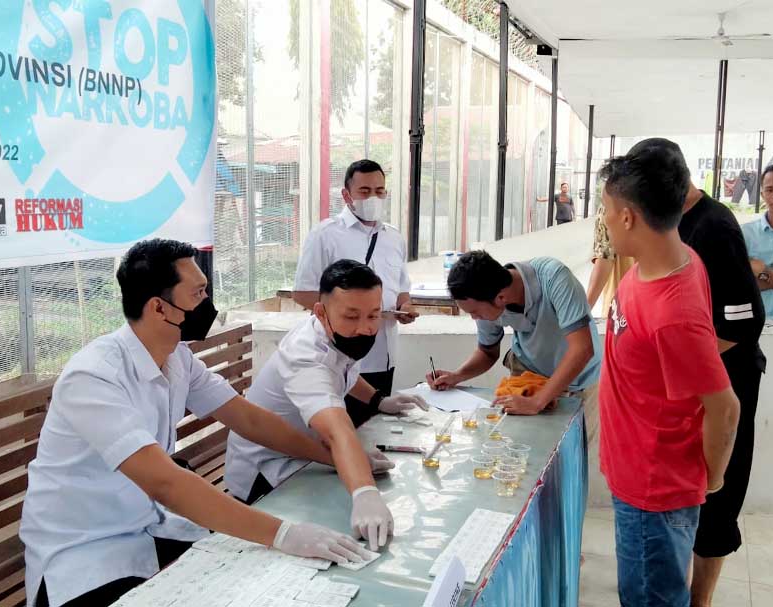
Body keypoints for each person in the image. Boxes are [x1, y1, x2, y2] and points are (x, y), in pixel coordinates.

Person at [20, 240, 371, 607]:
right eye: (198, 293)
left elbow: (247, 418)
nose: (208, 302)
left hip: (146, 525)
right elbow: (165, 482)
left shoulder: (177, 358)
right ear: (159, 307)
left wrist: (334, 457)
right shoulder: (94, 376)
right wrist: (284, 534)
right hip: (85, 553)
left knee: (266, 576)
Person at [597, 142, 740, 607]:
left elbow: (725, 408)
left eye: (605, 209)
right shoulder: (673, 262)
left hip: (654, 494)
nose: (603, 219)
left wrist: (711, 480)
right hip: (636, 475)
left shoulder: (672, 313)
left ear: (627, 217)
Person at [629, 138, 765, 607]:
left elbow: (744, 322)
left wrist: (685, 362)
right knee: (687, 494)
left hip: (727, 379)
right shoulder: (671, 222)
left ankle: (700, 599)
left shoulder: (715, 226)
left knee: (716, 493)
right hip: (691, 383)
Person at [225, 259, 427, 547]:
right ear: (321, 312)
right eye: (352, 316)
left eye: (373, 315)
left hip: (308, 455)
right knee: (340, 533)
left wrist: (379, 400)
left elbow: (345, 373)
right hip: (267, 472)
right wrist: (365, 493)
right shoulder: (305, 357)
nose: (365, 328)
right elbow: (336, 430)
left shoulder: (336, 336)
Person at [293, 160, 417, 427]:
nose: (373, 197)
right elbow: (303, 293)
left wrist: (405, 308)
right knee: (344, 430)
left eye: (379, 191)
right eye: (364, 191)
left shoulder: (394, 237)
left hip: (384, 354)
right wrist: (351, 315)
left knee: (377, 430)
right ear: (346, 195)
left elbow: (402, 290)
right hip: (342, 355)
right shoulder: (325, 235)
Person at [425, 251, 601, 429]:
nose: (474, 318)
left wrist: (537, 402)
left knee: (578, 440)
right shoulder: (486, 295)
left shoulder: (555, 279)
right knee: (519, 440)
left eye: (475, 312)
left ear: (501, 298)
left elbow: (582, 349)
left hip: (581, 378)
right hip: (530, 379)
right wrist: (457, 376)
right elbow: (487, 352)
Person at [585, 202, 634, 314]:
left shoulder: (611, 203)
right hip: (659, 304)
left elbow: (604, 259)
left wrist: (582, 314)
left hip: (621, 308)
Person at [742, 164, 773, 319]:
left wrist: (764, 273)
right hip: (756, 323)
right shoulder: (744, 234)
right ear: (762, 194)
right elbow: (737, 282)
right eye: (770, 190)